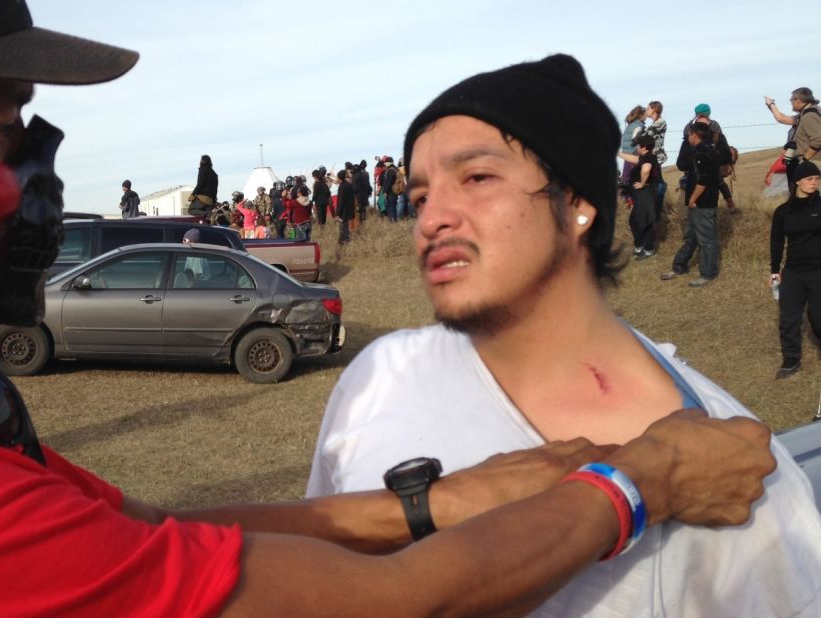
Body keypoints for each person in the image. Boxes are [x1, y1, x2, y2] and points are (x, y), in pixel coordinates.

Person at [0, 9, 781, 614]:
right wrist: (643, 477)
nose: (39, 179)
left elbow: (133, 533)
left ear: (582, 204)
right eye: (0, 133)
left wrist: (422, 508)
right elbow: (386, 606)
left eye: (477, 179)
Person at [306, 54, 821, 618]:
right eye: (422, 196)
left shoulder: (741, 481)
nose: (430, 219)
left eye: (477, 178)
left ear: (576, 201)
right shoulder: (378, 376)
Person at [769, 160, 821, 379]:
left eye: (817, 179)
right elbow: (777, 242)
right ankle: (791, 360)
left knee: (817, 317)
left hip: (818, 270)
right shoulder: (783, 212)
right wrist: (774, 270)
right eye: (810, 179)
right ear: (797, 181)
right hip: (793, 272)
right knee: (788, 318)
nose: (814, 182)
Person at [662, 122, 722, 287]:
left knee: (706, 240)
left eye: (689, 135)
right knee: (692, 237)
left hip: (702, 203)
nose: (687, 138)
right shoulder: (711, 149)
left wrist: (693, 199)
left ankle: (708, 274)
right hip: (704, 201)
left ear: (695, 135)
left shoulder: (702, 153)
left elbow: (702, 181)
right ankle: (679, 266)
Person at [765, 87, 821, 193]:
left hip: (809, 161)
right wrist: (771, 105)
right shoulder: (805, 114)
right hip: (804, 161)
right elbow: (781, 118)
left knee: (804, 195)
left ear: (798, 100)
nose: (791, 103)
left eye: (791, 100)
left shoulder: (809, 115)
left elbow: (818, 140)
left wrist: (804, 160)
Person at [618, 135, 661, 259]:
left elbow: (646, 170)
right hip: (641, 195)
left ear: (644, 147)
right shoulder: (645, 157)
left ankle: (648, 250)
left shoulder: (649, 158)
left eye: (638, 145)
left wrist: (642, 183)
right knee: (635, 221)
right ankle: (639, 246)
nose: (636, 147)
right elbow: (634, 159)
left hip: (645, 194)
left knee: (645, 222)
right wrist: (618, 153)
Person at [641, 101, 669, 217]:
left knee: (658, 182)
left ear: (654, 110)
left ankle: (657, 207)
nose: (646, 110)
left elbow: (646, 136)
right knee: (655, 181)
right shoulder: (654, 123)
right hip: (652, 156)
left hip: (657, 157)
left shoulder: (660, 122)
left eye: (648, 108)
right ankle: (656, 207)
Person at [619, 105, 645, 186]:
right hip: (634, 155)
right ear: (640, 115)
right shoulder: (638, 126)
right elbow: (636, 140)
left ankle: (627, 196)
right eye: (645, 114)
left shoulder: (630, 125)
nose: (646, 116)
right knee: (634, 180)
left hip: (626, 155)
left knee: (626, 179)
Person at [188, 154, 218, 220]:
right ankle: (209, 214)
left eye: (201, 160)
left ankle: (209, 213)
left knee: (191, 210)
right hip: (211, 200)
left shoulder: (202, 170)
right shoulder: (215, 174)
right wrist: (214, 201)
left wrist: (193, 194)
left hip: (202, 198)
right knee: (205, 219)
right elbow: (215, 189)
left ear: (203, 161)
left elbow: (200, 184)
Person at [335, 168, 355, 244]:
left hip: (343, 211)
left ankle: (346, 241)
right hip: (350, 209)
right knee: (345, 226)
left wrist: (337, 214)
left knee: (343, 227)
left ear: (339, 177)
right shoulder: (349, 185)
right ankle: (342, 241)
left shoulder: (341, 187)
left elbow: (340, 201)